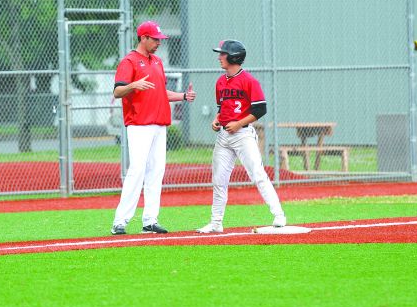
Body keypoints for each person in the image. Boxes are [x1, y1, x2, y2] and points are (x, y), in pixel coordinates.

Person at [110, 20, 196, 235]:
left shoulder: (157, 61)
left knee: (156, 172)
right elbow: (117, 92)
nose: (159, 42)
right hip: (139, 124)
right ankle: (120, 221)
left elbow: (161, 93)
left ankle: (150, 220)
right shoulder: (129, 61)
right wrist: (132, 85)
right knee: (137, 170)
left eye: (159, 39)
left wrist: (183, 96)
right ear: (143, 38)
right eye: (155, 39)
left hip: (159, 123)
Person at [196, 39, 286, 233]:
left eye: (223, 54)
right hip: (224, 137)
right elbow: (222, 108)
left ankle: (279, 215)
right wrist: (216, 120)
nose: (219, 57)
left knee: (257, 174)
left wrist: (239, 123)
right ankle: (216, 222)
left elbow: (260, 109)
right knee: (219, 180)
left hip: (243, 135)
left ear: (234, 57)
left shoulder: (249, 81)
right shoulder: (220, 81)